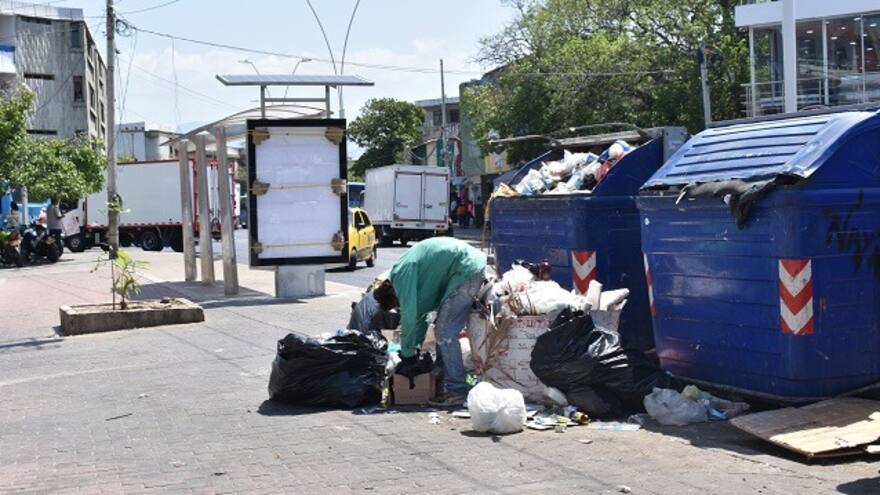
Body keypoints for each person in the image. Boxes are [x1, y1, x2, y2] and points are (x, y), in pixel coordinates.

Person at [373, 237, 487, 406]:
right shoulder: (407, 279)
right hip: (466, 268)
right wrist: (415, 349)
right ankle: (441, 383)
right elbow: (420, 319)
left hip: (466, 269)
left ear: (393, 296)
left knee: (445, 332)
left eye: (398, 305)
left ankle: (457, 391)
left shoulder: (400, 275)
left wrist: (407, 355)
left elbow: (409, 317)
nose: (401, 306)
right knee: (442, 329)